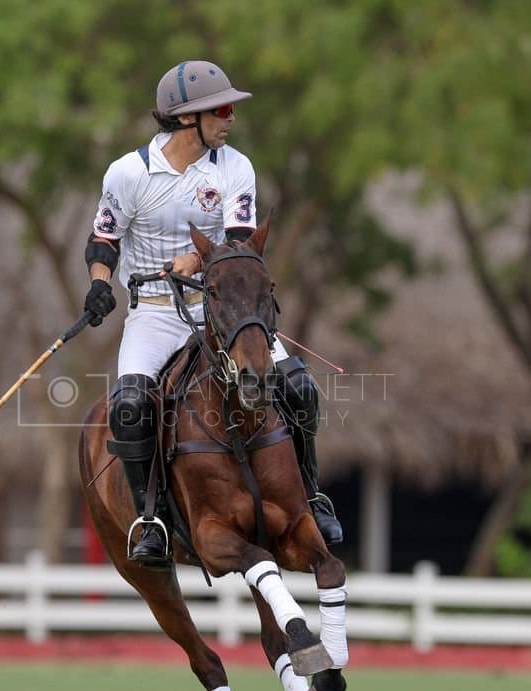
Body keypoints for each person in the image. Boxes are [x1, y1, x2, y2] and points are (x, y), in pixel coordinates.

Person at [82, 60, 342, 568]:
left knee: (299, 389)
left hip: (222, 312)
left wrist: (198, 259)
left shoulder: (234, 167)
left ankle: (311, 497)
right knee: (131, 405)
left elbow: (241, 243)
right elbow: (104, 238)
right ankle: (151, 519)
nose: (231, 118)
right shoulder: (128, 173)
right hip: (155, 313)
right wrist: (98, 285)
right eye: (220, 109)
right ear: (186, 119)